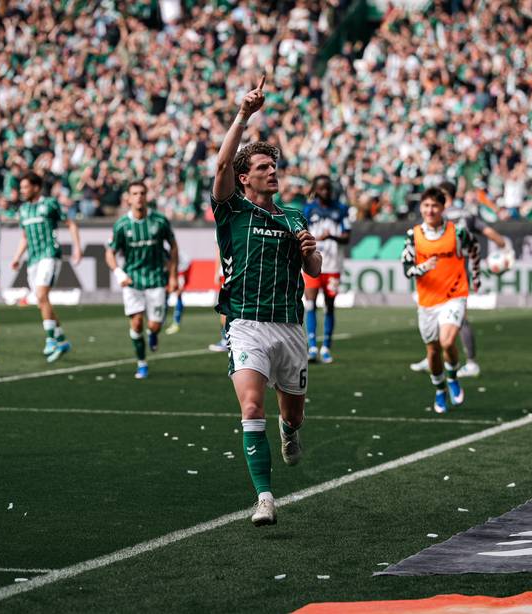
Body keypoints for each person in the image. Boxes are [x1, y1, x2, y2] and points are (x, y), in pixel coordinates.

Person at [212, 75, 322, 526]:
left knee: (291, 412)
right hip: (245, 323)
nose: (272, 172)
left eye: (274, 168)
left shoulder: (295, 215)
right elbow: (219, 168)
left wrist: (312, 253)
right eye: (262, 168)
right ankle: (264, 496)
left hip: (290, 326)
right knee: (251, 407)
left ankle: (289, 429)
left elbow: (313, 272)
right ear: (244, 178)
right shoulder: (232, 208)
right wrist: (244, 114)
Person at [409, 181, 512, 377]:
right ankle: (434, 356)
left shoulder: (441, 218)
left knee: (459, 319)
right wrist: (505, 248)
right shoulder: (467, 214)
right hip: (452, 274)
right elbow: (489, 232)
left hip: (447, 274)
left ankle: (471, 362)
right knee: (441, 319)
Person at [402, 187, 480, 414]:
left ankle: (453, 376)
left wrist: (476, 276)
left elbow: (474, 248)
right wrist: (422, 268)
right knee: (433, 350)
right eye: (426, 205)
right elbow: (407, 269)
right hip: (427, 300)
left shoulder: (457, 232)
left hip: (454, 295)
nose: (430, 210)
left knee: (447, 342)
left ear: (443, 207)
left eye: (434, 205)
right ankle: (440, 389)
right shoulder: (413, 235)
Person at [105, 180, 179, 379]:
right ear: (128, 198)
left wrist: (173, 276)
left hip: (156, 279)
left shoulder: (160, 221)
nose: (139, 197)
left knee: (154, 325)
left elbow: (173, 246)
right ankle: (142, 363)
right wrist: (119, 273)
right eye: (135, 193)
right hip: (133, 281)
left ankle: (153, 333)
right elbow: (110, 252)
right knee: (136, 323)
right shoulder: (122, 225)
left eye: (142, 193)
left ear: (147, 196)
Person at [10, 171, 83, 363]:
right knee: (42, 302)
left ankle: (51, 339)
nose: (22, 191)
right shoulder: (23, 210)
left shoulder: (50, 204)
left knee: (42, 295)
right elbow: (25, 236)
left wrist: (77, 248)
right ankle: (61, 339)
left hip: (50, 255)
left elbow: (71, 224)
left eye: (26, 187)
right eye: (21, 188)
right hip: (33, 259)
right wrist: (17, 257)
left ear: (36, 187)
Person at [302, 174, 350, 363]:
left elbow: (347, 237)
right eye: (322, 188)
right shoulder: (308, 210)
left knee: (330, 306)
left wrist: (331, 237)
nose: (326, 192)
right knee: (310, 303)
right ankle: (312, 346)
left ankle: (326, 347)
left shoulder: (341, 210)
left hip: (333, 266)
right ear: (315, 190)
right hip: (312, 263)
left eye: (328, 188)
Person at [165, 248, 191, 335]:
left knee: (178, 293)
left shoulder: (178, 259)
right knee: (166, 291)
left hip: (182, 267)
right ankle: (161, 320)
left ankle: (176, 323)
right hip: (175, 267)